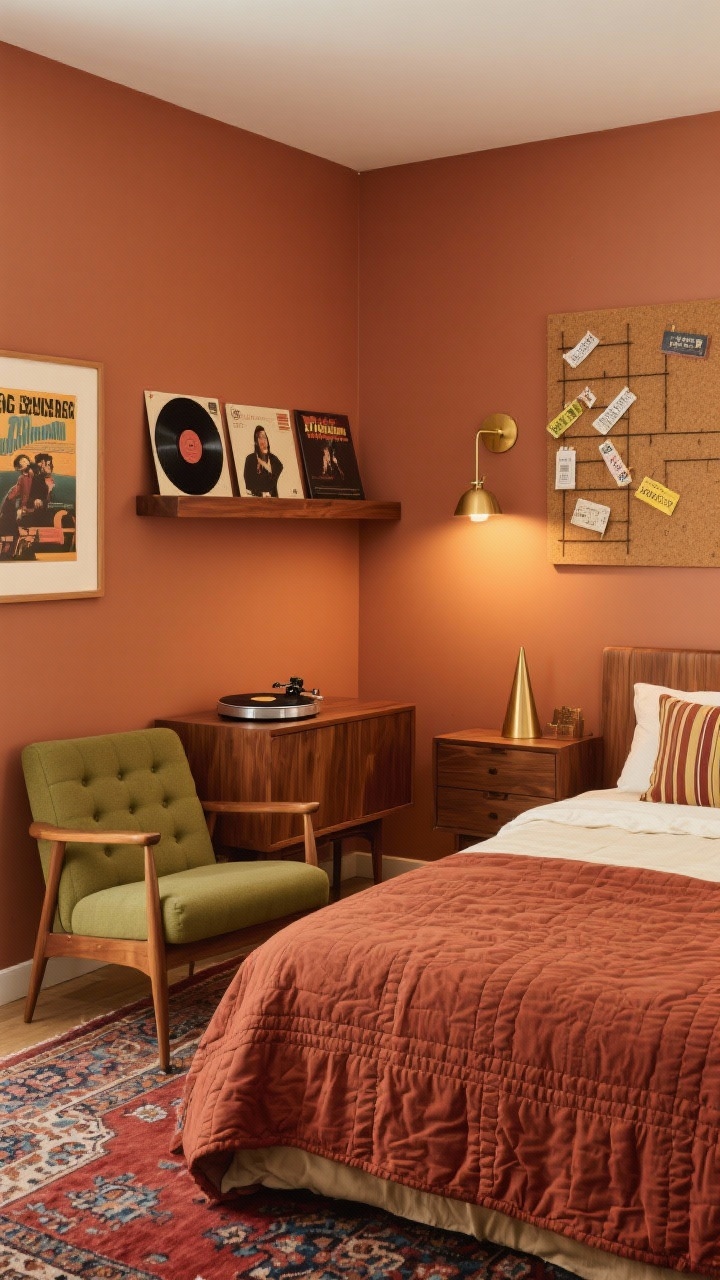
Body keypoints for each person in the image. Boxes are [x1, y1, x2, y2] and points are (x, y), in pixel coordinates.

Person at [0, 453, 34, 551]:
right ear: (19, 468)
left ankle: (10, 544)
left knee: (14, 514)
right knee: (7, 512)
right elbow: (16, 492)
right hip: (22, 506)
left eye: (26, 460)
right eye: (22, 462)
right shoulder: (22, 478)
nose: (25, 462)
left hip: (30, 506)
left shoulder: (34, 476)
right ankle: (8, 543)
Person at [243, 426, 283, 497]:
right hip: (256, 499)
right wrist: (262, 493)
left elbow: (278, 472)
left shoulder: (274, 460)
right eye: (260, 438)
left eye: (264, 437)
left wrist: (264, 464)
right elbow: (249, 485)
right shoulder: (250, 459)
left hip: (273, 499)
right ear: (256, 442)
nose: (263, 441)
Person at [19, 453, 55, 525]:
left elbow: (49, 501)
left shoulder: (50, 481)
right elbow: (24, 500)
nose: (51, 467)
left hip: (47, 515)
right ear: (42, 464)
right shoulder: (33, 480)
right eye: (48, 464)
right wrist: (35, 501)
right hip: (35, 517)